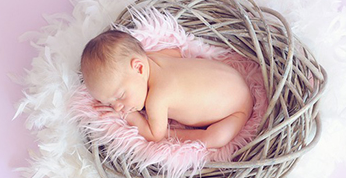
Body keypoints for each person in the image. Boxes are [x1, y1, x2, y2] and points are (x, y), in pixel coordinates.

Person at [81, 30, 253, 149]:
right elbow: (176, 53)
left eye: (120, 96)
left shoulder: (157, 98)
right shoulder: (153, 58)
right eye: (109, 103)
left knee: (214, 138)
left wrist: (130, 116)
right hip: (231, 75)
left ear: (139, 68)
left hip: (237, 110)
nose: (117, 107)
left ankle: (179, 134)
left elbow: (155, 135)